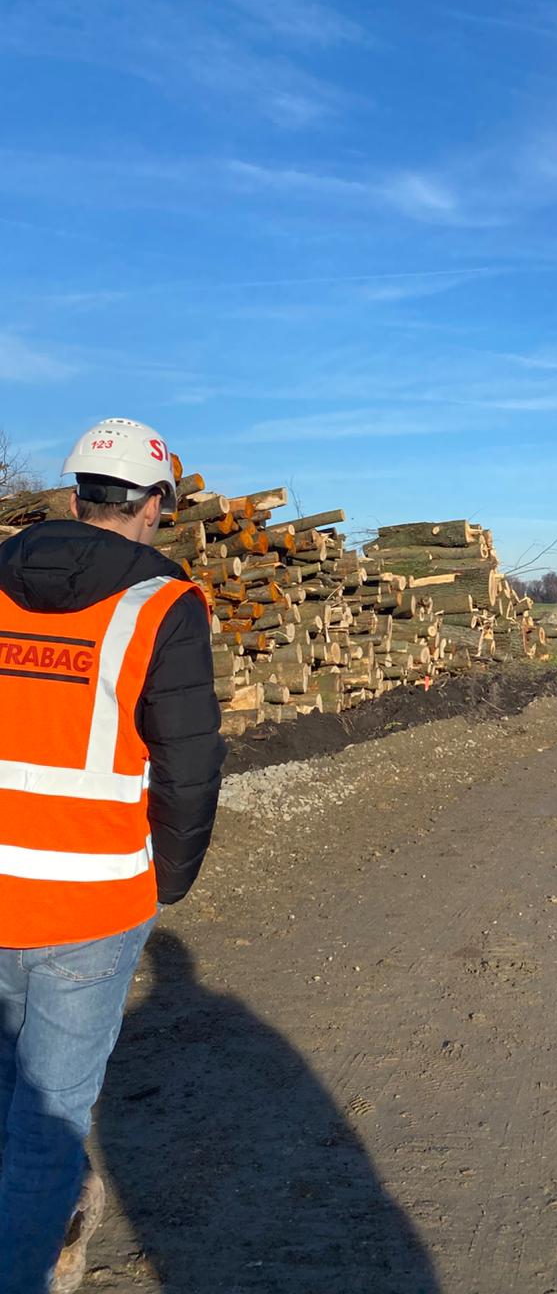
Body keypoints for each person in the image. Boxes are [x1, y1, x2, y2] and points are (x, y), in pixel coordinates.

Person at [0, 419, 224, 1294]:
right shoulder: (163, 605)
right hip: (91, 904)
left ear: (72, 498)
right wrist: (168, 878)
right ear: (156, 505)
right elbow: (189, 765)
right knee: (48, 1122)